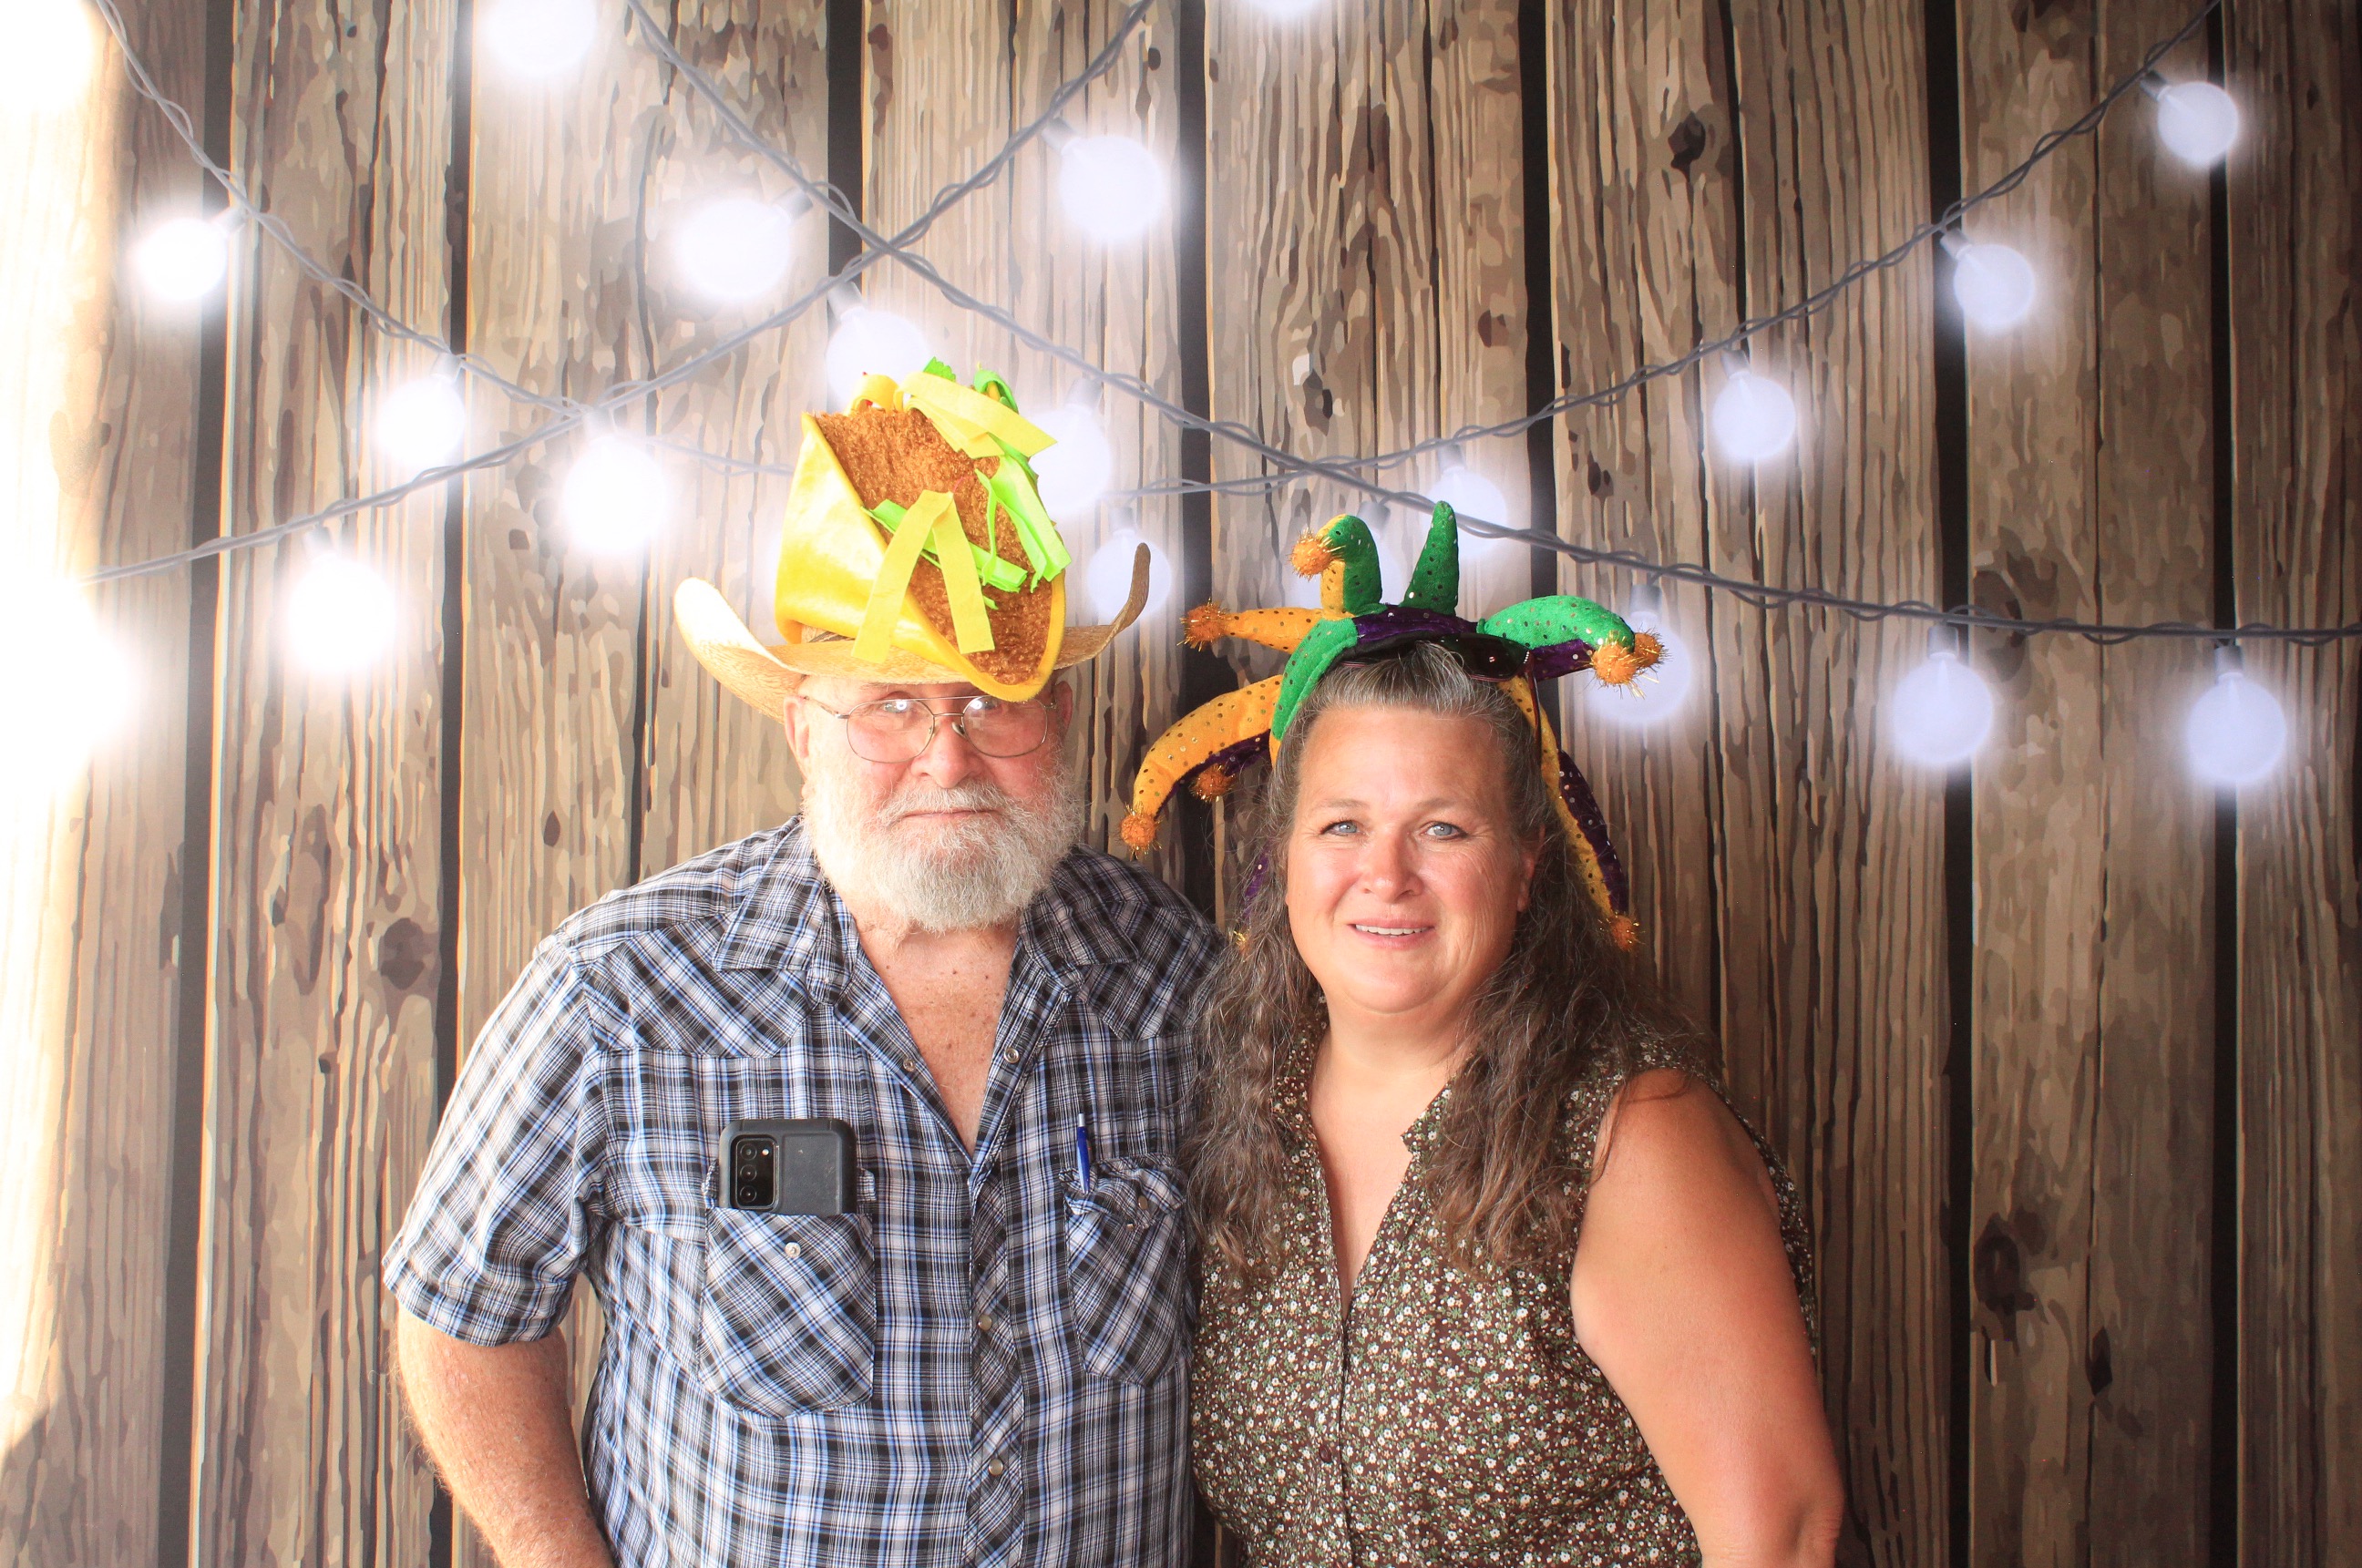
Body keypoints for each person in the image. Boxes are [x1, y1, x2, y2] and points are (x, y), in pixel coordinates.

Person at [385, 366, 1217, 1568]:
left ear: (1064, 717)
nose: (947, 755)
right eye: (888, 704)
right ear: (801, 728)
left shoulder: (1173, 978)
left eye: (993, 700)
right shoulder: (620, 992)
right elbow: (464, 1312)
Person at [1124, 512, 1843, 1565]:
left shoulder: (1628, 1139)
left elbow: (1781, 1535)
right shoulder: (1251, 1108)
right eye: (1343, 824)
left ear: (1526, 867)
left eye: (1444, 827)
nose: (1387, 872)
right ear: (1282, 858)